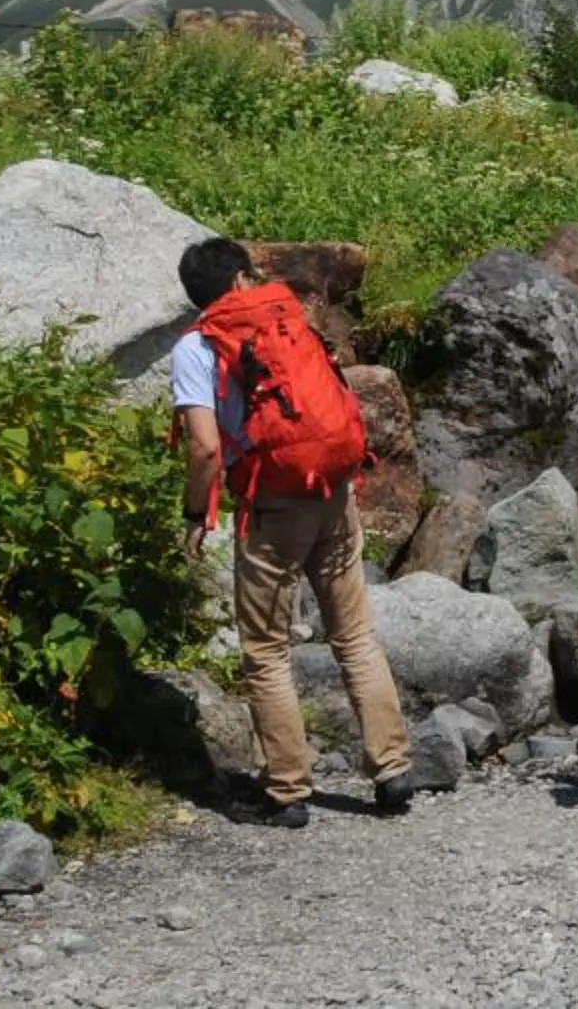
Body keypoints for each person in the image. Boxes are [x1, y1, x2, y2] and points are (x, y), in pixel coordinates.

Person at [169, 237, 413, 827]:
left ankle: (287, 790)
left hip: (272, 501)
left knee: (266, 649)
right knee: (354, 635)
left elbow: (204, 447)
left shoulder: (196, 347)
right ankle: (394, 768)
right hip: (331, 488)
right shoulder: (285, 317)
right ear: (239, 280)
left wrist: (194, 513)